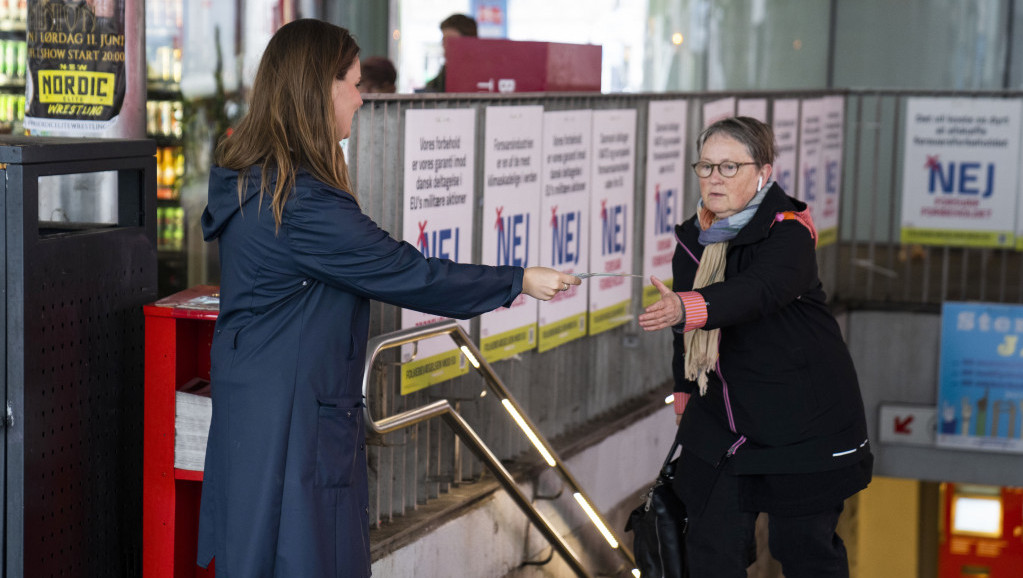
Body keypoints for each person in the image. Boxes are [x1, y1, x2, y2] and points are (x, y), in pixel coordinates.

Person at [197, 19, 579, 577]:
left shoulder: (258, 179)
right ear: (316, 90)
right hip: (292, 419)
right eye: (352, 82)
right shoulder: (301, 201)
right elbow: (407, 272)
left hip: (262, 407)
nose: (361, 97)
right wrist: (516, 280)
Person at [638, 116, 872, 578]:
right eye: (705, 167)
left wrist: (690, 307)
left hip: (803, 422)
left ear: (763, 171)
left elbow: (760, 291)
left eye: (729, 167)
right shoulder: (694, 238)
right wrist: (684, 390)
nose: (714, 179)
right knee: (709, 550)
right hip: (723, 421)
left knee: (804, 550)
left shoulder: (788, 232)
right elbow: (683, 327)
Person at [423, 13, 477, 92]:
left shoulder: (485, 80)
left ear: (469, 43)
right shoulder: (437, 83)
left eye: (451, 41)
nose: (445, 46)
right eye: (444, 41)